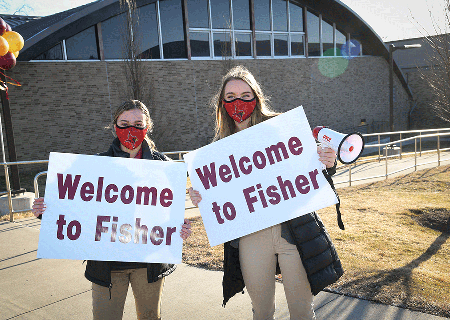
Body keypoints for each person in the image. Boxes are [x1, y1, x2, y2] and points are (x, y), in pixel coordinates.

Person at [188, 66, 343, 320]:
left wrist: (327, 160)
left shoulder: (282, 127)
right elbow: (218, 199)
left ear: (256, 97)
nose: (238, 102)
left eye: (245, 95)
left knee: (302, 310)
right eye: (230, 97)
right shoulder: (217, 150)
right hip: (251, 238)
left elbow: (310, 168)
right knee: (261, 312)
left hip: (294, 233)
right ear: (222, 103)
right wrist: (202, 197)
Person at [33, 100, 192, 320]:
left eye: (138, 123)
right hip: (107, 267)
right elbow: (72, 205)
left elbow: (170, 214)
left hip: (148, 265)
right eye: (124, 123)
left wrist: (180, 228)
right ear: (115, 126)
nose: (131, 130)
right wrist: (47, 210)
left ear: (148, 127)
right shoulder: (96, 166)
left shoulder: (163, 166)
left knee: (149, 317)